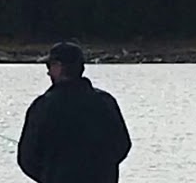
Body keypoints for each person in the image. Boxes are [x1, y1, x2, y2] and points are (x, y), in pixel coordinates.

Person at [17, 41, 132, 183]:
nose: (48, 72)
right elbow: (122, 145)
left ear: (59, 67)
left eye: (49, 66)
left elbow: (27, 158)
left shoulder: (43, 106)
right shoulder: (105, 102)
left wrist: (50, 176)